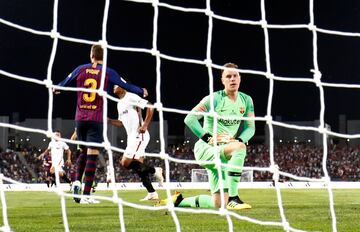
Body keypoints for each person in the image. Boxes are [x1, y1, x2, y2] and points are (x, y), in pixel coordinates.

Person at [57, 44, 148, 204]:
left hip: (80, 118)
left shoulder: (80, 68)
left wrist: (57, 88)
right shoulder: (107, 71)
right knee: (92, 155)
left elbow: (66, 80)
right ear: (103, 56)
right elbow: (125, 84)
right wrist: (141, 90)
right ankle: (86, 195)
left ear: (91, 55)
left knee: (82, 152)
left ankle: (77, 180)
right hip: (96, 118)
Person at [161, 62, 255, 210]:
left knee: (218, 204)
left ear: (240, 78)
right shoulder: (215, 98)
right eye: (228, 76)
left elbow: (250, 128)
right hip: (207, 149)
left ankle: (178, 201)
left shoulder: (247, 100)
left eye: (235, 76)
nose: (232, 79)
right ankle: (234, 197)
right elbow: (190, 118)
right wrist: (209, 138)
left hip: (224, 153)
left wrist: (238, 139)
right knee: (239, 148)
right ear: (222, 80)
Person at [108, 85, 164, 201]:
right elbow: (121, 123)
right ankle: (152, 193)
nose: (114, 87)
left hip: (139, 135)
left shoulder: (131, 96)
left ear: (123, 87)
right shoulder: (119, 103)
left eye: (116, 85)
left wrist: (145, 125)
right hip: (132, 137)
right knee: (140, 170)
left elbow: (150, 106)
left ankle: (155, 171)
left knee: (125, 162)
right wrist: (109, 121)